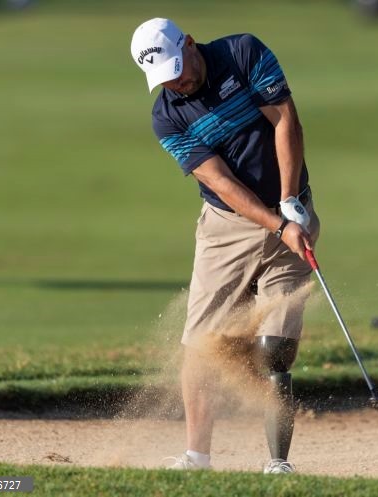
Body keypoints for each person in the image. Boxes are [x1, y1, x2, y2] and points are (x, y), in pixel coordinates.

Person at [130, 18, 320, 474]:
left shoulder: (242, 53)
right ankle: (197, 457)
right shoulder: (166, 117)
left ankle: (278, 463)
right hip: (225, 228)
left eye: (178, 69)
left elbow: (286, 121)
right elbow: (220, 182)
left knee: (275, 347)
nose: (176, 83)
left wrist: (289, 202)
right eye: (165, 78)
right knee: (202, 345)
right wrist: (277, 224)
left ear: (189, 44)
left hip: (291, 208)